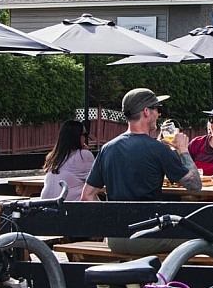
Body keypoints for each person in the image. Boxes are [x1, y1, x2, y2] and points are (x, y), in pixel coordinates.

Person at [83, 88, 202, 254]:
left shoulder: (107, 148)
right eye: (157, 109)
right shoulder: (158, 149)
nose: (159, 114)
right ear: (147, 111)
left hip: (115, 239)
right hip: (147, 237)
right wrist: (183, 150)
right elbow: (195, 185)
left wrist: (110, 223)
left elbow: (87, 196)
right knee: (202, 239)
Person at [40, 120, 94, 201]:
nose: (86, 138)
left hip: (46, 206)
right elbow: (98, 181)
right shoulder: (84, 155)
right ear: (76, 136)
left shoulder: (53, 156)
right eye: (85, 135)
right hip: (69, 207)